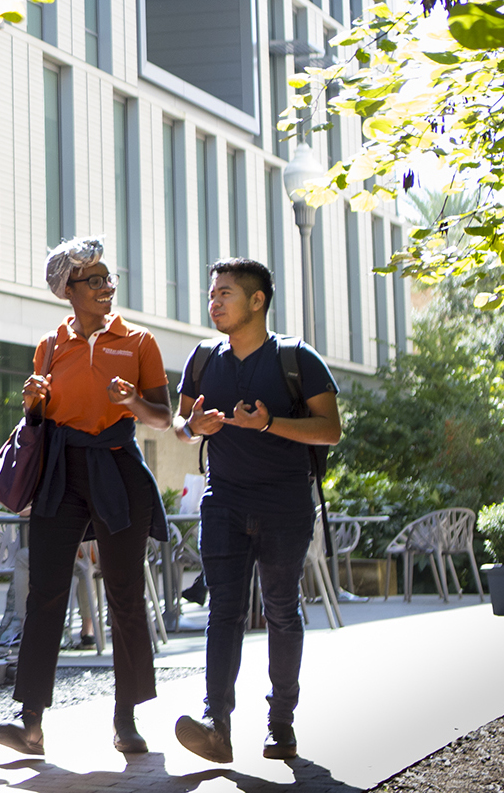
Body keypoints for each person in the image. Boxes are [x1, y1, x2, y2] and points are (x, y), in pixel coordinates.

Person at [0, 236, 171, 759]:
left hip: (117, 467)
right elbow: (41, 422)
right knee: (44, 593)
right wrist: (33, 406)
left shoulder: (139, 342)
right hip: (62, 473)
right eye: (94, 280)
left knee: (125, 594)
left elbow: (162, 416)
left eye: (108, 278)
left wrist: (132, 400)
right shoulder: (50, 346)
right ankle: (30, 723)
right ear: (67, 290)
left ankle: (127, 719)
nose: (107, 287)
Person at [171, 258, 341, 765]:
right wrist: (194, 428)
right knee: (223, 611)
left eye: (224, 292)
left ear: (257, 300)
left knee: (281, 611)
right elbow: (182, 426)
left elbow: (330, 429)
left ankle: (280, 723)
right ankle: (215, 724)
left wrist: (269, 424)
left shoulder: (297, 358)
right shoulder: (202, 359)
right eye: (212, 293)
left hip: (285, 504)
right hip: (222, 502)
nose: (213, 301)